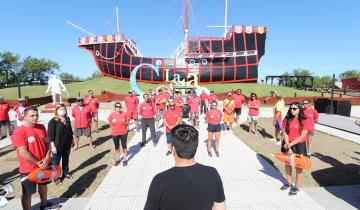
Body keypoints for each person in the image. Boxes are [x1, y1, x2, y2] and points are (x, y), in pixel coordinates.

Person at [144, 124, 226, 210]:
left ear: (173, 149)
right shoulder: (212, 174)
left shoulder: (159, 181)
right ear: (195, 147)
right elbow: (220, 207)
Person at [11, 107, 55, 210]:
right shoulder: (19, 132)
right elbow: (23, 152)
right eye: (32, 116)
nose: (35, 118)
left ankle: (44, 205)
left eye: (36, 115)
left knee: (43, 185)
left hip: (43, 166)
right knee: (28, 193)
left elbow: (47, 143)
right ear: (24, 117)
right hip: (28, 169)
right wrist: (38, 162)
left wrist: (47, 157)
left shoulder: (41, 127)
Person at [280, 102, 311, 196]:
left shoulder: (305, 120)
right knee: (287, 164)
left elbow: (303, 136)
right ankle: (289, 183)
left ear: (299, 109)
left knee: (298, 167)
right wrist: (288, 145)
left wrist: (290, 145)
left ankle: (296, 187)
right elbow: (285, 133)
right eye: (291, 108)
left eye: (294, 109)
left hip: (299, 145)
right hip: (287, 143)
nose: (292, 110)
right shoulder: (287, 118)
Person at [48, 104, 74, 185]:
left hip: (67, 143)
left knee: (66, 159)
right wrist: (52, 146)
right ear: (56, 111)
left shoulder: (67, 118)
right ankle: (56, 178)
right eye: (60, 109)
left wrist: (72, 140)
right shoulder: (53, 121)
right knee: (56, 161)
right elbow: (50, 135)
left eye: (64, 109)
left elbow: (70, 130)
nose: (62, 111)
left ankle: (65, 173)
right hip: (57, 144)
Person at [108, 102, 130, 166]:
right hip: (115, 133)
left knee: (124, 146)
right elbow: (110, 122)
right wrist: (113, 128)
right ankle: (118, 159)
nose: (118, 108)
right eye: (117, 106)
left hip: (123, 132)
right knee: (117, 147)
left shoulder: (124, 114)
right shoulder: (112, 115)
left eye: (119, 106)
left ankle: (125, 159)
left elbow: (128, 121)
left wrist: (127, 128)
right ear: (115, 108)